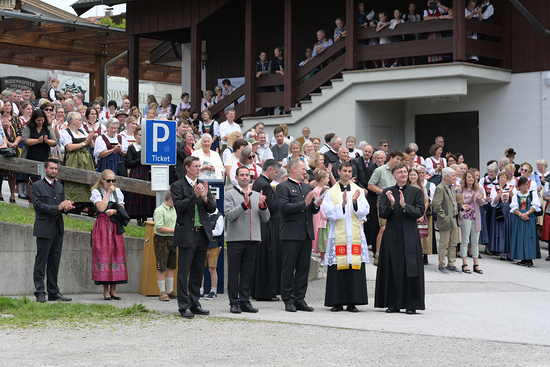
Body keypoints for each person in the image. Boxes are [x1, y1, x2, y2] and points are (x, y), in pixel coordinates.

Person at [375, 163, 425, 314]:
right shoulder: (387, 192)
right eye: (400, 172)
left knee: (410, 268)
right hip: (391, 235)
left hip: (409, 235)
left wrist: (404, 206)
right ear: (394, 175)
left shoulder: (416, 192)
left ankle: (411, 305)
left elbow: (420, 212)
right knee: (392, 267)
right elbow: (382, 214)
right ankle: (393, 303)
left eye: (405, 172)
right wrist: (391, 204)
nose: (403, 174)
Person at [171, 156, 217, 318]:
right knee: (184, 271)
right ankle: (183, 306)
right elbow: (179, 207)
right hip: (186, 234)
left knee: (198, 271)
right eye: (196, 166)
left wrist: (204, 197)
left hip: (202, 233)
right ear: (187, 168)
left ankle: (194, 302)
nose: (199, 168)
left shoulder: (204, 185)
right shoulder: (177, 186)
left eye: (199, 166)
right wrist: (194, 196)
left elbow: (211, 209)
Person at [322, 162, 369, 312]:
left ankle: (352, 302)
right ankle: (337, 302)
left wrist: (354, 202)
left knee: (354, 267)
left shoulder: (358, 190)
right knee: (337, 268)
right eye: (344, 171)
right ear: (339, 171)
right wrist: (342, 204)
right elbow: (328, 212)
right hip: (338, 235)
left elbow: (365, 210)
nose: (347, 173)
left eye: (349, 171)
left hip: (354, 235)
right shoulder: (331, 192)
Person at [276, 160, 322, 312]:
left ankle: (300, 298)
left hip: (306, 233)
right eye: (303, 169)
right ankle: (288, 299)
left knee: (303, 268)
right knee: (288, 268)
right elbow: (284, 207)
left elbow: (310, 209)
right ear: (294, 169)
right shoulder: (283, 187)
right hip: (291, 234)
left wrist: (315, 206)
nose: (305, 172)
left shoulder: (307, 187)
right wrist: (304, 203)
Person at [225, 166, 270, 313]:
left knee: (247, 272)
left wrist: (263, 206)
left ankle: (244, 301)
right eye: (242, 175)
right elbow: (229, 215)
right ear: (236, 178)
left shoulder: (257, 194)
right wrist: (244, 205)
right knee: (233, 272)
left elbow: (266, 218)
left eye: (247, 175)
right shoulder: (229, 194)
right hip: (235, 239)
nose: (245, 177)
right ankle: (233, 302)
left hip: (252, 238)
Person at [31, 158, 74, 303]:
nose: (54, 171)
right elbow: (38, 206)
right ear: (45, 169)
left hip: (58, 229)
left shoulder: (60, 186)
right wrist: (58, 207)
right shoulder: (37, 186)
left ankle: (53, 292)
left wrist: (67, 207)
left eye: (56, 169)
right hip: (44, 229)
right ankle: (40, 292)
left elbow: (61, 205)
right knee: (41, 262)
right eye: (51, 168)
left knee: (54, 262)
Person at [90, 169, 127, 300]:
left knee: (116, 255)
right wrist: (108, 194)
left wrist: (115, 211)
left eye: (113, 181)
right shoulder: (96, 192)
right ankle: (105, 289)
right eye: (108, 181)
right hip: (102, 226)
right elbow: (100, 208)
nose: (111, 183)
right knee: (103, 255)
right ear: (102, 180)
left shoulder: (117, 192)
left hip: (115, 225)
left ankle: (114, 289)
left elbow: (122, 209)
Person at [250, 159, 282, 301]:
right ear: (269, 169)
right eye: (275, 172)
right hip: (268, 224)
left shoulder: (258, 181)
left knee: (261, 258)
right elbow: (273, 206)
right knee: (268, 257)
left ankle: (257, 290)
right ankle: (265, 292)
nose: (276, 175)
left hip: (261, 223)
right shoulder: (266, 185)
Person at [368, 150, 403, 266]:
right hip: (383, 201)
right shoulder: (380, 170)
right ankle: (378, 255)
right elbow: (370, 185)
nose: (398, 161)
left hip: (398, 202)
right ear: (391, 157)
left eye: (400, 160)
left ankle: (393, 255)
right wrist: (385, 192)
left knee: (396, 228)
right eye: (397, 159)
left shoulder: (400, 171)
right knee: (383, 228)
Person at [59, 112, 95, 212]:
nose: (81, 121)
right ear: (72, 121)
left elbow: (91, 146)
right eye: (79, 120)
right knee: (73, 181)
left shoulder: (82, 130)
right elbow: (69, 147)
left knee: (86, 181)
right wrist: (84, 143)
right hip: (73, 160)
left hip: (86, 160)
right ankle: (72, 205)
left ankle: (85, 204)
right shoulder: (65, 132)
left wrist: (91, 137)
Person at [433, 167, 462, 274]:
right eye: (453, 176)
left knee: (453, 243)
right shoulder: (440, 188)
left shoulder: (451, 187)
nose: (455, 177)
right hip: (446, 220)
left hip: (453, 219)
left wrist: (461, 207)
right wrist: (444, 216)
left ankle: (451, 264)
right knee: (444, 243)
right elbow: (436, 205)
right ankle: (441, 265)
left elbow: (454, 202)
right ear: (447, 176)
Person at [457, 170, 486, 274]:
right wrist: (471, 198)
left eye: (473, 177)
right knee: (465, 240)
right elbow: (459, 203)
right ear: (465, 178)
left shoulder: (479, 188)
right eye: (469, 177)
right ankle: (464, 263)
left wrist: (480, 199)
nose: (471, 179)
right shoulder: (460, 189)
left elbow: (482, 203)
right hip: (466, 216)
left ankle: (476, 264)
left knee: (475, 241)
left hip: (476, 217)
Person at [125, 126, 155, 226]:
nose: (142, 137)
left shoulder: (150, 147)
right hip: (136, 173)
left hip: (147, 173)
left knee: (147, 194)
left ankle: (146, 217)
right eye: (140, 135)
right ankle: (138, 218)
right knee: (137, 195)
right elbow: (128, 163)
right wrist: (141, 159)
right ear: (135, 136)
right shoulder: (132, 147)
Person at [153, 189, 178, 301]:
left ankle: (170, 290)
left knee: (171, 265)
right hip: (161, 239)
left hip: (173, 238)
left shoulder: (174, 209)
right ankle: (162, 291)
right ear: (171, 200)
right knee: (161, 265)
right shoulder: (160, 210)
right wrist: (175, 230)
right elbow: (159, 227)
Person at [510, 177, 541, 267]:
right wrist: (521, 215)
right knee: (520, 237)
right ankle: (523, 258)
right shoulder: (516, 195)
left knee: (529, 237)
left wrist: (526, 214)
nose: (526, 186)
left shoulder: (532, 193)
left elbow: (535, 206)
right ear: (519, 186)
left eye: (527, 184)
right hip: (519, 218)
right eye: (524, 185)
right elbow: (513, 207)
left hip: (529, 218)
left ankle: (529, 258)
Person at [490, 171, 516, 261]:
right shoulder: (495, 188)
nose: (503, 179)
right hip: (500, 210)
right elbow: (493, 203)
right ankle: (502, 252)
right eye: (501, 177)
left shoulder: (511, 188)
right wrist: (500, 193)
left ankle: (509, 253)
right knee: (501, 230)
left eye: (505, 177)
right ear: (498, 178)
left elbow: (515, 201)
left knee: (509, 230)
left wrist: (511, 193)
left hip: (509, 211)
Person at [202, 204, 224, 300]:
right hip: (203, 245)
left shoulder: (219, 216)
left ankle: (213, 291)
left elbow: (219, 231)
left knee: (212, 268)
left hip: (214, 246)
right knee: (200, 269)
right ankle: (200, 290)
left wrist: (205, 232)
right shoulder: (204, 215)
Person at [418, 165, 437, 265]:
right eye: (419, 173)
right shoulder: (414, 184)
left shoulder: (430, 185)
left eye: (422, 173)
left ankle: (425, 255)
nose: (421, 174)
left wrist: (429, 200)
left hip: (427, 212)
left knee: (426, 235)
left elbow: (434, 198)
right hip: (416, 211)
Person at [312, 171, 330, 264]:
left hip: (326, 216)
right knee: (319, 233)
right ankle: (317, 249)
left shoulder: (327, 188)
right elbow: (315, 201)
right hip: (318, 212)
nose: (329, 180)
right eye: (327, 178)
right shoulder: (315, 190)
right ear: (322, 179)